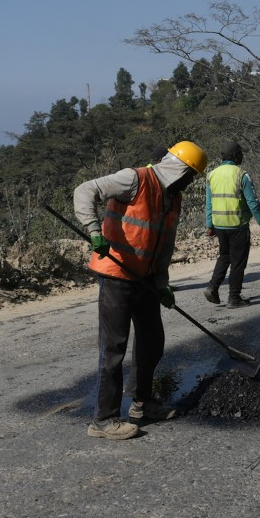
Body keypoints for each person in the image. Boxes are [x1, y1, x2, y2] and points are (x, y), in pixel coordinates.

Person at [74, 140, 208, 440]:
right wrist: (94, 231)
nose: (190, 182)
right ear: (179, 168)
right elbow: (85, 190)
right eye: (190, 175)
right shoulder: (135, 179)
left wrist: (162, 284)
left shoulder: (173, 198)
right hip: (117, 275)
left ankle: (142, 404)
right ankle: (103, 420)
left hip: (145, 279)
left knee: (152, 341)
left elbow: (164, 245)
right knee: (114, 350)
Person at [203, 141, 260, 308]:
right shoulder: (242, 175)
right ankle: (234, 298)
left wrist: (209, 225)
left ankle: (212, 287)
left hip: (219, 225)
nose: (242, 156)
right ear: (235, 156)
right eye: (240, 153)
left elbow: (209, 203)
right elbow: (253, 202)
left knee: (224, 256)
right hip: (237, 225)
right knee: (238, 261)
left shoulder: (212, 175)